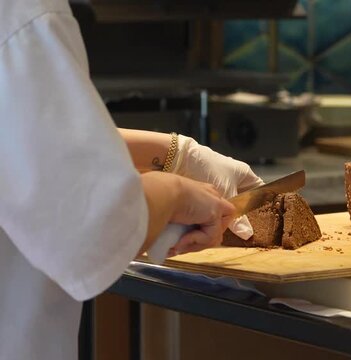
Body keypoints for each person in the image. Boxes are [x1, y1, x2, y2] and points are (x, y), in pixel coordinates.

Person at [0, 0, 262, 358]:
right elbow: (90, 232)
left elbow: (22, 137)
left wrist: (176, 152)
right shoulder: (24, 12)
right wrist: (173, 193)